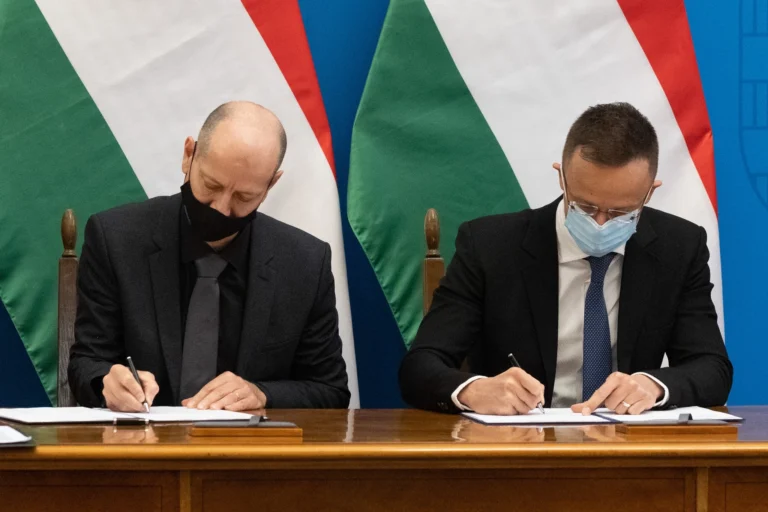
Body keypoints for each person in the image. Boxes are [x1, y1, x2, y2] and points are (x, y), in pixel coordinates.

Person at [399, 102, 732, 416]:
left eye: (620, 212)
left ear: (650, 192)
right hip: (520, 445)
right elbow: (419, 366)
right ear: (562, 177)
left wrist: (654, 386)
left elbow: (712, 368)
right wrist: (474, 390)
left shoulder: (679, 247)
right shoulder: (490, 246)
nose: (600, 223)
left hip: (627, 445)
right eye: (585, 206)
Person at [69, 101, 349, 412]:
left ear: (271, 184)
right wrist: (107, 382)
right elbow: (86, 362)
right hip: (142, 438)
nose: (221, 209)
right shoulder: (116, 239)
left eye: (244, 197)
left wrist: (262, 394)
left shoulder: (305, 263)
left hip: (248, 442)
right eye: (211, 185)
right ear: (189, 154)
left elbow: (330, 390)